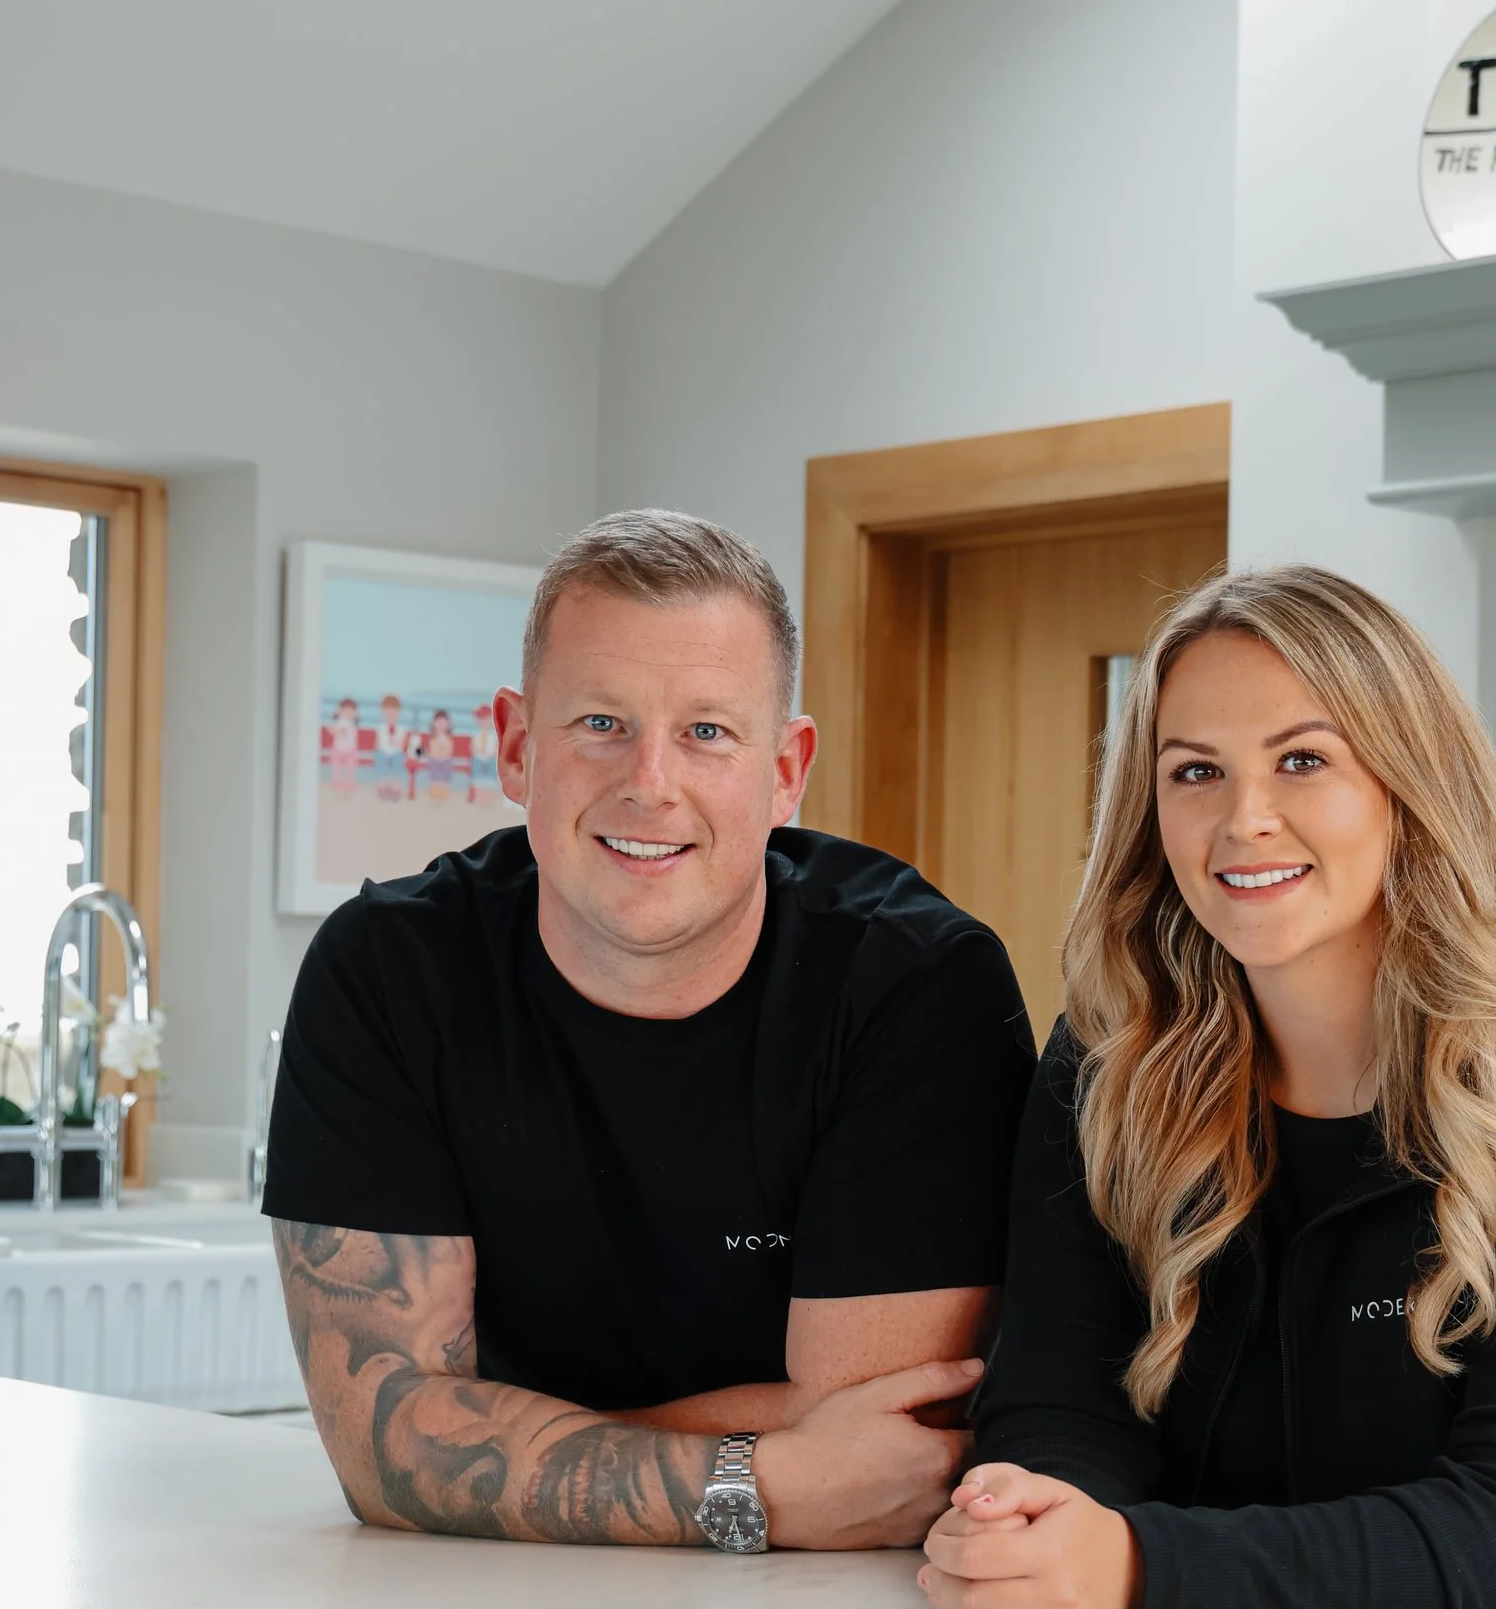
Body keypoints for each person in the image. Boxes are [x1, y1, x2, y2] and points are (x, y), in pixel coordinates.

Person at [921, 565, 1496, 1609]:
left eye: (1303, 760)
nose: (1243, 819)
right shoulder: (1107, 1065)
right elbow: (1062, 1403)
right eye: (1195, 771)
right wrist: (1038, 1527)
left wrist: (1139, 1571)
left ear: (1407, 784)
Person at [267, 509, 1035, 1553]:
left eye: (707, 732)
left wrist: (479, 1440)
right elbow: (383, 1451)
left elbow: (883, 1455)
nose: (649, 783)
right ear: (515, 746)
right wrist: (764, 1477)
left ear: (787, 769)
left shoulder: (916, 986)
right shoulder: (387, 974)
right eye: (601, 723)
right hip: (480, 1605)